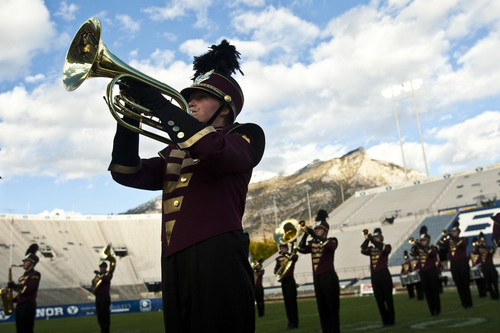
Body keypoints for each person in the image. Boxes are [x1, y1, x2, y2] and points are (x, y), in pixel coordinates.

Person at [109, 40, 265, 332]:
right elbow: (126, 172)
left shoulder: (244, 136)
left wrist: (158, 104)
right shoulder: (176, 150)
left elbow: (213, 151)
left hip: (217, 254)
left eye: (200, 96)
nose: (189, 102)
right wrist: (130, 115)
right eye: (189, 96)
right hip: (173, 258)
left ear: (225, 106)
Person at [297, 209, 340, 333]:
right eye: (315, 229)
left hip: (329, 277)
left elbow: (330, 247)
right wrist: (305, 234)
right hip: (317, 278)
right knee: (322, 307)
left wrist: (315, 236)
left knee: (332, 307)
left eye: (318, 229)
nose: (316, 231)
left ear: (325, 231)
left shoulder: (332, 240)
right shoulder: (313, 242)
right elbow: (301, 249)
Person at [361, 228, 395, 327]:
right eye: (374, 237)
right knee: (379, 300)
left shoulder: (386, 246)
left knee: (388, 299)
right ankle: (385, 320)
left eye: (377, 238)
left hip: (384, 274)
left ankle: (391, 320)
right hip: (375, 276)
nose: (375, 239)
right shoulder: (371, 249)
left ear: (381, 239)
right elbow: (363, 249)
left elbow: (385, 249)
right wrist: (368, 239)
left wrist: (373, 241)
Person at [438, 221, 473, 309]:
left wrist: (452, 237)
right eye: (452, 231)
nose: (453, 233)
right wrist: (446, 236)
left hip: (463, 263)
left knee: (465, 283)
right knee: (459, 284)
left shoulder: (463, 239)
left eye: (455, 231)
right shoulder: (449, 241)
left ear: (458, 232)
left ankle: (469, 302)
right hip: (454, 264)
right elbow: (440, 243)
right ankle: (463, 303)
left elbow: (463, 244)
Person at [7, 244, 41, 333]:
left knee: (27, 330)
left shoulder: (35, 275)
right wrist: (11, 299)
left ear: (32, 263)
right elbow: (21, 294)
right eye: (24, 261)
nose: (24, 263)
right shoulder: (22, 277)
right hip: (20, 306)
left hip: (28, 306)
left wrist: (13, 286)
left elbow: (26, 289)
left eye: (26, 261)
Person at [411, 226, 441, 316]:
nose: (422, 242)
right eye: (422, 240)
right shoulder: (419, 248)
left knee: (434, 292)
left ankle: (438, 310)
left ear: (427, 241)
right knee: (427, 292)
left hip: (431, 271)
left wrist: (420, 245)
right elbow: (413, 253)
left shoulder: (432, 248)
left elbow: (430, 253)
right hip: (423, 272)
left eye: (424, 240)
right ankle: (431, 310)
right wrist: (415, 247)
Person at [274, 243, 299, 330]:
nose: (282, 249)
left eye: (284, 248)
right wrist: (278, 268)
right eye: (281, 248)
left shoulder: (291, 257)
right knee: (287, 303)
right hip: (283, 282)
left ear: (287, 248)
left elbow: (295, 257)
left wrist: (287, 254)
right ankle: (290, 322)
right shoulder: (278, 259)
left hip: (290, 280)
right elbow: (276, 270)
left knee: (292, 303)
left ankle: (294, 323)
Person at [92, 258, 116, 333]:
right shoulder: (99, 275)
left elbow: (107, 279)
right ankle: (103, 329)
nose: (101, 269)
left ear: (105, 268)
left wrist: (99, 276)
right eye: (100, 267)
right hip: (98, 296)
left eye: (102, 267)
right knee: (99, 315)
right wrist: (96, 279)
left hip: (104, 296)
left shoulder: (108, 274)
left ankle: (106, 330)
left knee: (105, 314)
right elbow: (93, 283)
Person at [476, 232, 499, 300]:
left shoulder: (490, 247)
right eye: (482, 241)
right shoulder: (479, 248)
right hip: (484, 267)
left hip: (490, 266)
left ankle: (497, 294)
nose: (484, 242)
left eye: (484, 241)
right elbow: (477, 251)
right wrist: (480, 245)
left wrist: (483, 246)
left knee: (494, 281)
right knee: (488, 282)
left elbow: (490, 251)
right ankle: (492, 295)